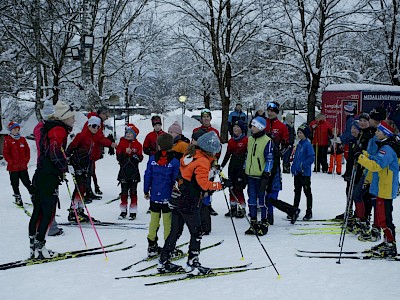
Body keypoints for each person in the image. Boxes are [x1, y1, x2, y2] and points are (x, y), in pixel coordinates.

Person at [158, 131, 227, 274]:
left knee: (175, 231)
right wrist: (221, 185)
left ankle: (164, 261)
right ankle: (193, 263)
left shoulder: (191, 155)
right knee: (197, 231)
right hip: (188, 201)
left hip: (177, 198)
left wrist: (212, 166)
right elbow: (203, 185)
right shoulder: (202, 161)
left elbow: (195, 173)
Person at [28, 100, 75, 259]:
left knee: (39, 211)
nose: (74, 121)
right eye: (72, 118)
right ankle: (40, 248)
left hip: (42, 173)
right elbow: (55, 150)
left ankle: (34, 247)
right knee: (47, 212)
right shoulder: (58, 129)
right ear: (65, 118)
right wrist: (64, 166)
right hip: (48, 176)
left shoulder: (51, 126)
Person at [357, 120, 399, 257]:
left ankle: (390, 244)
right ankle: (387, 241)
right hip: (381, 187)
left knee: (385, 219)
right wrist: (364, 154)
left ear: (385, 133)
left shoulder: (387, 149)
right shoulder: (384, 146)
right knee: (382, 217)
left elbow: (376, 166)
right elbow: (375, 159)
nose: (376, 133)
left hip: (385, 189)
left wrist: (361, 159)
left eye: (378, 131)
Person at [143, 133, 180, 257]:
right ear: (172, 146)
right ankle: (168, 248)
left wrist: (146, 190)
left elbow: (147, 175)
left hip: (155, 196)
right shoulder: (174, 162)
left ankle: (152, 245)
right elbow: (176, 178)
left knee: (154, 221)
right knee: (167, 223)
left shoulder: (152, 159)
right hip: (167, 196)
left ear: (158, 145)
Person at [33, 100, 64, 236]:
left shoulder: (42, 127)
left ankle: (44, 226)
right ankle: (49, 227)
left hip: (43, 165)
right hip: (47, 167)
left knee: (44, 199)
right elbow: (51, 148)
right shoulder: (46, 128)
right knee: (49, 199)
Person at [66, 116, 102, 223]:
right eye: (94, 126)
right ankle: (73, 212)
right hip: (77, 164)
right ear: (89, 125)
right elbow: (71, 147)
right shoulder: (81, 136)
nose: (96, 129)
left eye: (98, 127)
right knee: (79, 187)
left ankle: (79, 210)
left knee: (84, 188)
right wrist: (67, 161)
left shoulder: (94, 137)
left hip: (86, 164)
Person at [244, 116, 273, 235]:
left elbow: (269, 159)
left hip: (261, 176)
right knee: (251, 199)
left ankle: (264, 221)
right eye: (252, 125)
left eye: (254, 126)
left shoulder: (267, 140)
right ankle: (253, 221)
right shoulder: (250, 139)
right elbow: (248, 155)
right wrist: (244, 169)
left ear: (260, 127)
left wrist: (266, 173)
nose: (252, 127)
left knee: (262, 199)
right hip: (250, 175)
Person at [193, 108, 221, 216]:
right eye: (204, 117)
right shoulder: (196, 130)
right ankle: (199, 204)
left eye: (207, 117)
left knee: (209, 182)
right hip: (200, 160)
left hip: (211, 160)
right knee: (200, 182)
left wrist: (216, 159)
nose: (206, 119)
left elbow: (218, 146)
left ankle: (208, 204)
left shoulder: (215, 131)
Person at [264, 101, 289, 224]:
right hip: (262, 159)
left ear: (277, 113)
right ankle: (262, 210)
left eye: (272, 111)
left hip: (274, 160)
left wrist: (280, 153)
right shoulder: (263, 122)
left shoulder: (281, 126)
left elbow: (286, 144)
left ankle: (270, 213)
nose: (270, 113)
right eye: (268, 111)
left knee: (273, 186)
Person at [85, 106, 117, 198]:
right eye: (106, 115)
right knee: (89, 171)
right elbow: (99, 137)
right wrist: (110, 144)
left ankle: (93, 189)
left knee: (91, 170)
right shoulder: (95, 122)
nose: (107, 118)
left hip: (91, 151)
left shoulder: (96, 121)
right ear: (101, 114)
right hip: (88, 151)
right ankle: (88, 191)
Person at [220, 120, 248, 218]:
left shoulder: (246, 140)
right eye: (234, 126)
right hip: (232, 168)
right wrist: (222, 166)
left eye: (238, 127)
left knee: (239, 188)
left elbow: (247, 156)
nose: (235, 128)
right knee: (231, 187)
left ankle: (241, 208)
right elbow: (228, 155)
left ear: (242, 129)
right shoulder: (231, 141)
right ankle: (233, 208)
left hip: (242, 169)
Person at [3, 121, 34, 206]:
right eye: (15, 129)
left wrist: (26, 160)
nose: (17, 131)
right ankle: (18, 198)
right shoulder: (8, 140)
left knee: (27, 182)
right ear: (11, 130)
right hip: (13, 168)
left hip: (23, 167)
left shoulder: (22, 139)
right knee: (15, 183)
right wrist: (11, 161)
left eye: (18, 129)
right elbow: (6, 153)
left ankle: (33, 197)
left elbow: (27, 151)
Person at [116, 124, 143, 220]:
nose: (128, 134)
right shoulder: (121, 143)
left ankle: (133, 211)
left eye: (130, 133)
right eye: (127, 132)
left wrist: (133, 154)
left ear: (135, 134)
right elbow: (118, 158)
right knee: (123, 193)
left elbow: (140, 158)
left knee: (133, 193)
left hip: (134, 172)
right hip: (123, 172)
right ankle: (123, 211)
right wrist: (124, 153)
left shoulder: (138, 145)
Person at [291, 124, 315, 221]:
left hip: (304, 173)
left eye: (300, 133)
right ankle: (294, 210)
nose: (299, 134)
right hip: (297, 173)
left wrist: (302, 165)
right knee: (297, 192)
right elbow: (296, 158)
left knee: (307, 192)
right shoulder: (299, 144)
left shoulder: (307, 144)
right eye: (298, 132)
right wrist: (294, 167)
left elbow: (311, 157)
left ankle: (309, 211)